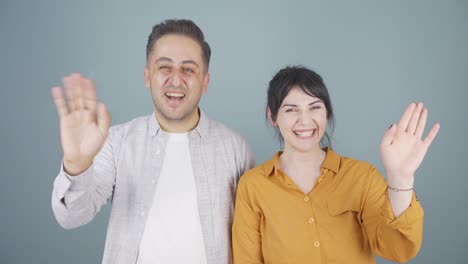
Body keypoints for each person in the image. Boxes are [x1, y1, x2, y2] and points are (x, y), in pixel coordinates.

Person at [51, 19, 254, 264]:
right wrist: (76, 165)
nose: (176, 80)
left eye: (188, 69)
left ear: (205, 82)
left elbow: (251, 236)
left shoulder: (235, 148)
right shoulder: (117, 142)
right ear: (147, 76)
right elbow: (71, 217)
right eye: (164, 67)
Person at [232, 66, 440, 263]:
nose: (305, 121)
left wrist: (400, 178)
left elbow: (398, 249)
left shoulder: (362, 176)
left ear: (327, 112)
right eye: (291, 110)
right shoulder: (253, 186)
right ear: (273, 116)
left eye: (314, 107)